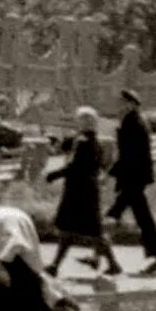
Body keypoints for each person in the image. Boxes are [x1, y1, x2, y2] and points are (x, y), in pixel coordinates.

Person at [45, 107, 122, 279]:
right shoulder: (95, 142)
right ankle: (55, 265)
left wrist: (53, 174)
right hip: (88, 190)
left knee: (79, 230)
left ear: (85, 122)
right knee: (83, 230)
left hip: (78, 192)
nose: (77, 122)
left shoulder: (83, 142)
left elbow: (74, 167)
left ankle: (55, 265)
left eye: (79, 120)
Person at [111, 89, 156, 276]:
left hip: (132, 178)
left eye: (121, 102)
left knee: (113, 216)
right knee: (142, 218)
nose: (118, 105)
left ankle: (102, 257)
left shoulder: (132, 124)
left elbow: (128, 155)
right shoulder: (134, 121)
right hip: (135, 178)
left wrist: (109, 173)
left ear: (131, 104)